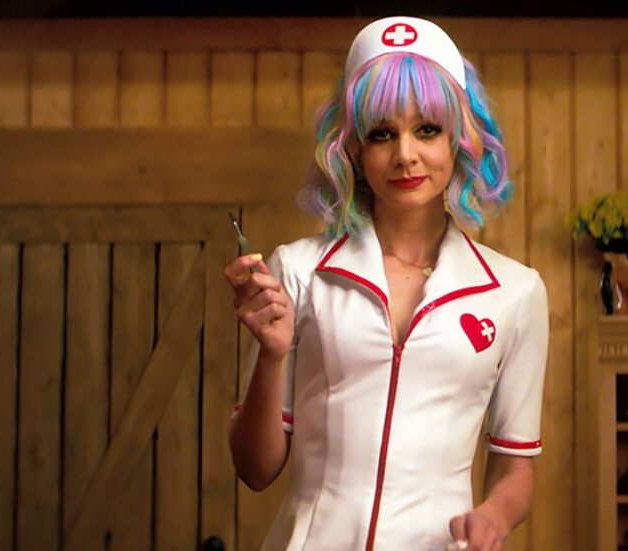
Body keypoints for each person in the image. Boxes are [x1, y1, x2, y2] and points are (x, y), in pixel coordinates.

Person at [225, 16, 549, 551]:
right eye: (381, 133)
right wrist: (272, 355)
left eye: (427, 129)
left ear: (460, 140)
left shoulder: (515, 293)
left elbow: (515, 465)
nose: (405, 155)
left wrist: (494, 516)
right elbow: (254, 470)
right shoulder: (298, 272)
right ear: (353, 149)